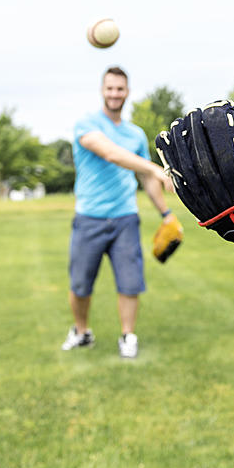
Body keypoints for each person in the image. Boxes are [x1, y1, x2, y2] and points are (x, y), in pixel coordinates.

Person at [62, 66, 177, 359]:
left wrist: (166, 213)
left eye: (120, 89)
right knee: (80, 285)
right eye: (110, 88)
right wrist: (155, 167)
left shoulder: (135, 134)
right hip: (89, 217)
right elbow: (112, 154)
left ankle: (128, 336)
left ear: (127, 92)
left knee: (129, 282)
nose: (115, 94)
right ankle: (81, 331)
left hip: (125, 217)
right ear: (102, 90)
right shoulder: (86, 125)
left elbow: (145, 180)